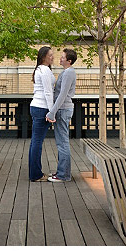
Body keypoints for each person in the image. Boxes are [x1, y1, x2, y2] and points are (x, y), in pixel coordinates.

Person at [46, 48, 78, 182]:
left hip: (63, 110)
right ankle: (62, 171)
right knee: (61, 142)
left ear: (69, 61)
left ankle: (63, 175)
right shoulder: (66, 72)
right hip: (63, 109)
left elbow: (62, 94)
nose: (60, 59)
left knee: (62, 143)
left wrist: (52, 112)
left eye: (63, 57)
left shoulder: (69, 73)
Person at [28, 46, 55, 182]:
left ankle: (35, 173)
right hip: (42, 108)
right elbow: (48, 92)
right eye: (50, 55)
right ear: (43, 56)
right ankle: (36, 175)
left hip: (37, 107)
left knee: (35, 142)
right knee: (37, 142)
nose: (53, 57)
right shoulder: (44, 70)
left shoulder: (40, 69)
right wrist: (51, 112)